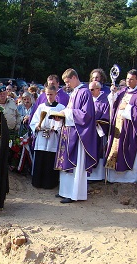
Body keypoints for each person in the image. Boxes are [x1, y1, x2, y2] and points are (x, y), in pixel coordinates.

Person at [55, 69, 97, 203]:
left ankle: (74, 194)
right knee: (66, 162)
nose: (66, 85)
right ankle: (64, 191)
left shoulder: (84, 92)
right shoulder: (74, 92)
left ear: (74, 77)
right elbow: (70, 112)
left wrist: (67, 113)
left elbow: (86, 115)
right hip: (69, 131)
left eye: (67, 81)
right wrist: (61, 117)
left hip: (78, 134)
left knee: (75, 164)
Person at [105, 69, 137, 183]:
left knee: (126, 149)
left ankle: (128, 179)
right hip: (117, 127)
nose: (128, 81)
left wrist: (128, 107)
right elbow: (113, 104)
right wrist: (113, 94)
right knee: (114, 149)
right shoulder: (123, 91)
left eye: (131, 79)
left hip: (128, 128)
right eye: (127, 78)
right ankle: (112, 177)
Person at [29, 85, 64, 189]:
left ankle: (49, 183)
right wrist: (37, 127)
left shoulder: (61, 108)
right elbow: (34, 121)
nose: (49, 97)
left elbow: (63, 123)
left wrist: (56, 128)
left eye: (51, 94)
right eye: (47, 94)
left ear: (56, 94)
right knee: (40, 158)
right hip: (41, 137)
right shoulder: (41, 107)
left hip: (53, 137)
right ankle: (37, 182)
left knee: (50, 160)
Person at [88, 81, 110, 181]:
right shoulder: (88, 100)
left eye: (92, 89)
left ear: (98, 89)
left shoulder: (105, 101)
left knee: (98, 151)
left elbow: (106, 118)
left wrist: (98, 123)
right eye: (89, 89)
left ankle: (98, 176)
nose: (90, 91)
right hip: (88, 132)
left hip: (98, 132)